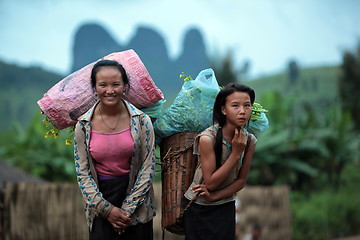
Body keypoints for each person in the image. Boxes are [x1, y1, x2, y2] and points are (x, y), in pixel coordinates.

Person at [73, 59, 156, 240]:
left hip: (138, 201)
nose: (109, 91)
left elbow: (148, 167)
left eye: (116, 84)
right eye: (103, 84)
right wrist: (107, 210)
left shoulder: (142, 121)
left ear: (125, 86)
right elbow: (83, 173)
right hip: (100, 202)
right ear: (94, 87)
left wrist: (127, 210)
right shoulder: (83, 125)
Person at [183, 83, 257, 240]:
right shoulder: (207, 138)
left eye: (247, 105)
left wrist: (216, 197)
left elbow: (241, 181)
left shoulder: (250, 141)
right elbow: (210, 184)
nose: (242, 111)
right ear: (223, 110)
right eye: (235, 106)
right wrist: (236, 153)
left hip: (226, 207)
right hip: (200, 207)